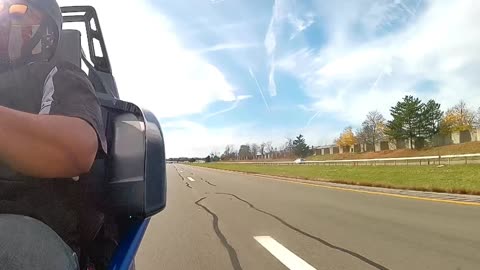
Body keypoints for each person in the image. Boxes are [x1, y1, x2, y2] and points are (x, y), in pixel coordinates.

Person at [0, 0, 107, 269]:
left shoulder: (58, 73)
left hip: (31, 223)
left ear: (46, 33)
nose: (2, 22)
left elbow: (76, 149)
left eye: (14, 14)